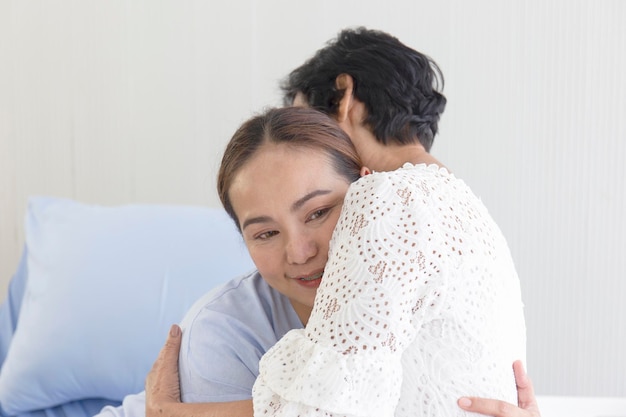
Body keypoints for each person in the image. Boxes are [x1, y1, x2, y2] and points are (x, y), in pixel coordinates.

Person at [99, 27, 542, 417]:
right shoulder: (466, 208)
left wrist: (175, 416)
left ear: (344, 96)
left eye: (307, 119)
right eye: (266, 231)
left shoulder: (387, 198)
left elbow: (324, 407)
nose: (301, 249)